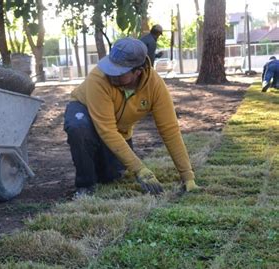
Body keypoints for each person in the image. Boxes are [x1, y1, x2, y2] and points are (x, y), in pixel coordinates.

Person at [64, 37, 201, 198]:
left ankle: (99, 165)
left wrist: (188, 176)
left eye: (119, 72)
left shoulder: (155, 86)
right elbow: (107, 130)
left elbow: (170, 130)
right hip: (84, 112)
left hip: (118, 131)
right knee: (78, 127)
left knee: (111, 177)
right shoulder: (98, 78)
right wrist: (139, 169)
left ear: (138, 71)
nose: (111, 75)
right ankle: (85, 185)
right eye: (110, 68)